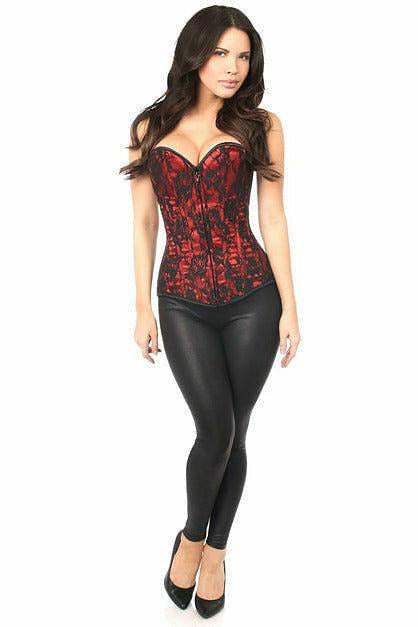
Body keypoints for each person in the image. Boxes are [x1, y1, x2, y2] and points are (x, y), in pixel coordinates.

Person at [120, 6, 301, 617]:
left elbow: (272, 216)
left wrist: (290, 308)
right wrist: (141, 307)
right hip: (181, 300)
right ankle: (193, 537)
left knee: (236, 431)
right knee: (215, 430)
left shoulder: (262, 126)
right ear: (195, 54)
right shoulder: (149, 126)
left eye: (243, 56)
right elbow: (144, 222)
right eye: (221, 53)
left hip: (253, 296)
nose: (233, 67)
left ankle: (214, 551)